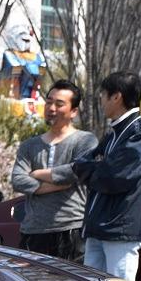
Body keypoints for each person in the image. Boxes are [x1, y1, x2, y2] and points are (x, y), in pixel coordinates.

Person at [66, 71, 141, 281]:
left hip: (119, 231)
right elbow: (81, 162)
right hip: (98, 227)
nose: (101, 100)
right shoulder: (115, 132)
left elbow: (115, 177)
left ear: (116, 97)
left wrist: (94, 168)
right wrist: (97, 167)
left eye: (103, 94)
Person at [14, 79, 98, 262]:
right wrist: (58, 185)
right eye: (49, 102)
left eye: (59, 104)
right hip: (33, 231)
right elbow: (18, 180)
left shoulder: (85, 141)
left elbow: (75, 172)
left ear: (73, 111)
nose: (51, 108)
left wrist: (37, 174)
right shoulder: (29, 145)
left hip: (71, 229)